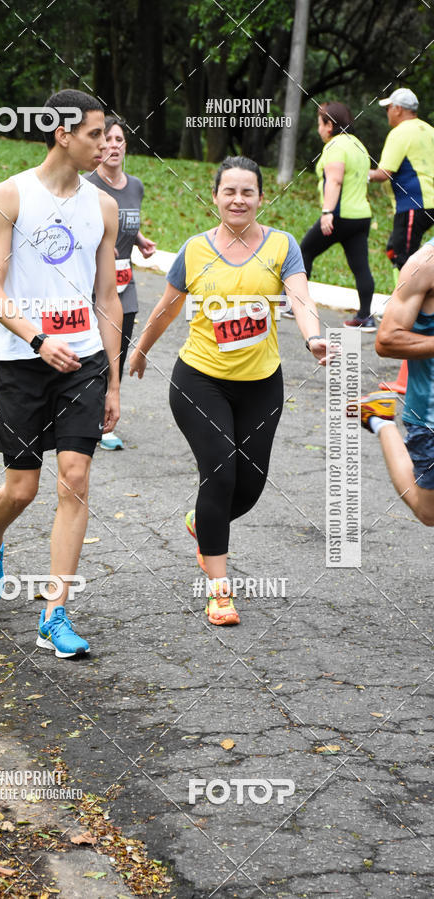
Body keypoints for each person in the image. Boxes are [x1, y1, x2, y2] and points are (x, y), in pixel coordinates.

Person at [129, 156, 329, 626]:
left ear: (261, 198)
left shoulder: (281, 246)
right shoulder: (195, 250)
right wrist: (139, 352)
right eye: (229, 191)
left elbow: (300, 296)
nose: (238, 199)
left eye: (248, 192)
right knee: (219, 475)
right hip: (199, 379)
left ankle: (203, 524)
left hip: (262, 383)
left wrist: (313, 336)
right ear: (215, 196)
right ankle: (220, 590)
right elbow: (165, 308)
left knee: (250, 484)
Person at [0, 89, 123, 658]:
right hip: (22, 360)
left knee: (76, 478)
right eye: (94, 134)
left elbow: (107, 296)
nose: (106, 144)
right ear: (63, 134)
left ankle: (54, 613)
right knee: (22, 487)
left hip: (82, 358)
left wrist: (109, 380)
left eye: (108, 134)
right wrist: (37, 339)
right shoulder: (11, 195)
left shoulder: (103, 206)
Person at [86, 116, 156, 449]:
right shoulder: (87, 185)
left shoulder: (135, 185)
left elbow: (126, 218)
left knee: (117, 350)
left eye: (119, 140)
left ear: (125, 147)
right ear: (100, 147)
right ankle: (84, 416)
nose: (114, 145)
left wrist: (139, 240)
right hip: (92, 284)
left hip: (125, 282)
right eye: (108, 140)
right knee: (92, 351)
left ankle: (105, 418)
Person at [355, 238, 434, 526]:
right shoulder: (424, 265)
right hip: (430, 415)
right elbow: (387, 340)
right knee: (429, 513)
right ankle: (380, 420)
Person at [300, 101, 376, 330]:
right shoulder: (358, 145)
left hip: (339, 216)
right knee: (361, 266)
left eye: (320, 124)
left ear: (330, 125)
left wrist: (327, 212)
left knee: (305, 250)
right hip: (361, 216)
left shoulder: (335, 146)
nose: (319, 130)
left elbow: (335, 180)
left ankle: (296, 305)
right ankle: (365, 317)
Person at [369, 88, 434, 273]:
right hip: (428, 202)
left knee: (401, 256)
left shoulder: (399, 132)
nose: (387, 113)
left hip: (413, 202)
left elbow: (384, 173)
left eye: (388, 108)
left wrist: (364, 175)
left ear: (397, 109)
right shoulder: (430, 131)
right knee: (397, 250)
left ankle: (405, 299)